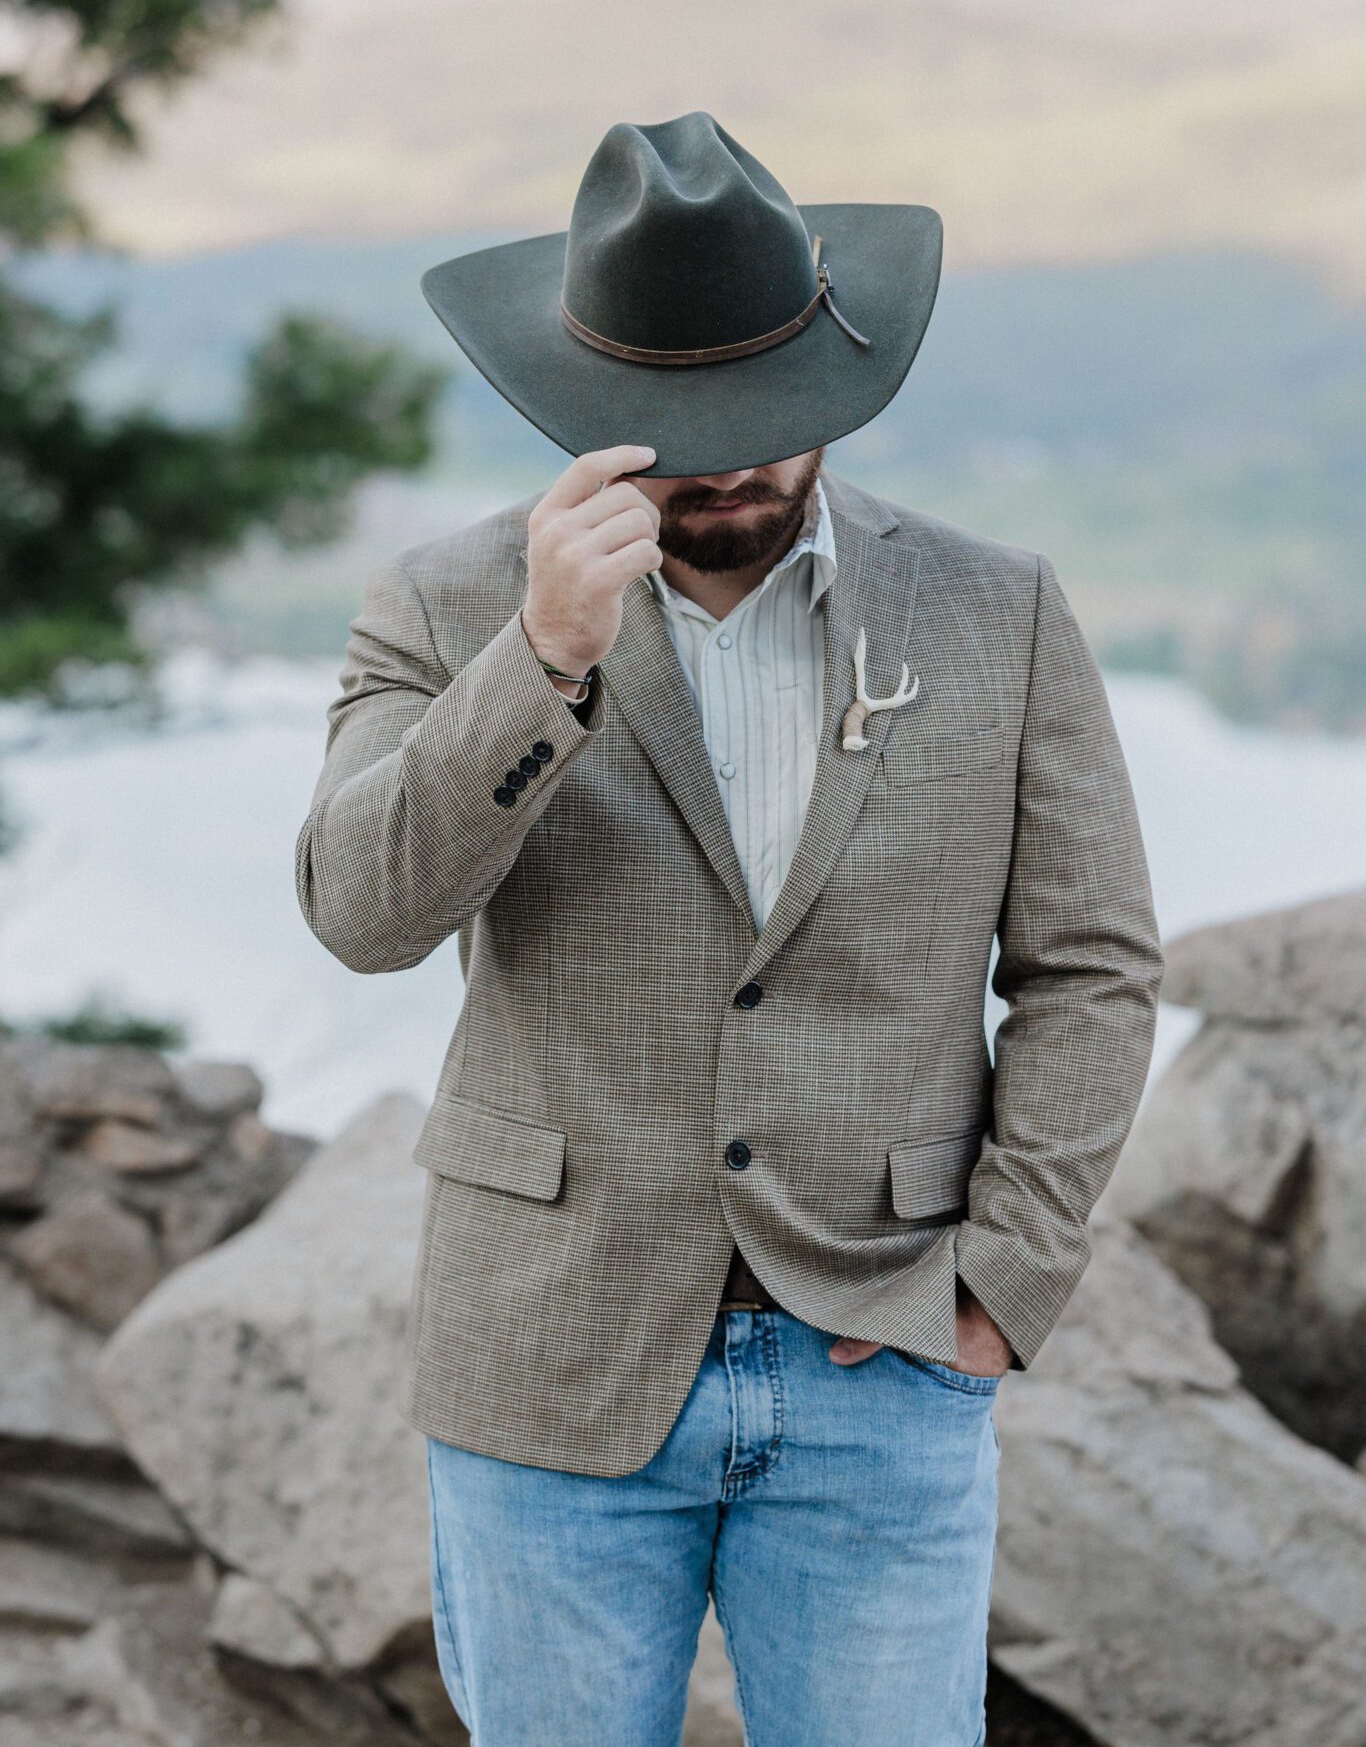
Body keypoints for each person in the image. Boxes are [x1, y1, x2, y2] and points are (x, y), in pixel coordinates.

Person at [295, 112, 1164, 1747]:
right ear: (580, 406)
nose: (727, 465)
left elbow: (1093, 969)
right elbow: (358, 914)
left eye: (765, 419)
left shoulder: (999, 609)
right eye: (672, 427)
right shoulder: (440, 607)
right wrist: (539, 661)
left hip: (885, 1361)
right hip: (545, 1369)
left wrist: (1003, 1281)